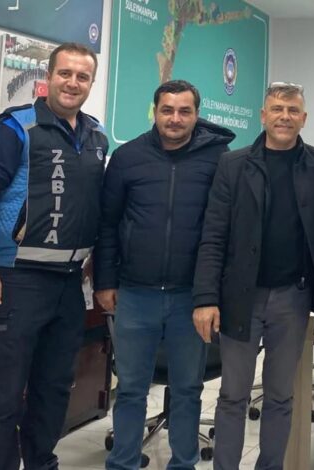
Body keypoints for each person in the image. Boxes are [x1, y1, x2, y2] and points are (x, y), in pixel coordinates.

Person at [192, 82, 314, 470]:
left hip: (293, 297)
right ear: (263, 115)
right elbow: (213, 234)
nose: (284, 117)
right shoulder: (233, 164)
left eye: (292, 110)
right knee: (233, 395)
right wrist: (206, 298)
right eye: (277, 109)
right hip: (242, 296)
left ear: (304, 118)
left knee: (280, 396)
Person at [93, 80, 235, 470]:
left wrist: (213, 294)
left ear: (196, 115)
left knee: (187, 389)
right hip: (135, 294)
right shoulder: (128, 157)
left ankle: (183, 463)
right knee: (131, 389)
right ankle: (122, 462)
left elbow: (223, 230)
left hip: (191, 297)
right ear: (154, 111)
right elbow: (108, 223)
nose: (175, 118)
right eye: (167, 110)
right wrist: (105, 281)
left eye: (184, 111)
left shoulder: (218, 159)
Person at [0, 42, 108, 470]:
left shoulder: (96, 135)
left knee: (53, 390)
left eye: (82, 76)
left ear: (91, 82)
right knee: (2, 394)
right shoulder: (15, 127)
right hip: (15, 280)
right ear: (48, 76)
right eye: (65, 73)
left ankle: (40, 462)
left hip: (69, 284)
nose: (72, 82)